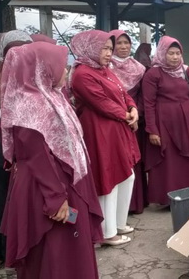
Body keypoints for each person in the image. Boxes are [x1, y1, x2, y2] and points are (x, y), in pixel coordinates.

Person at [0, 42, 103, 278]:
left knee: (70, 247)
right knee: (55, 251)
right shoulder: (30, 106)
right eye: (61, 66)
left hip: (65, 182)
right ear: (43, 68)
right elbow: (36, 157)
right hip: (47, 189)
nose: (66, 71)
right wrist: (56, 198)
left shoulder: (51, 96)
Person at [70, 30, 140, 246]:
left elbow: (122, 92)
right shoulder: (82, 74)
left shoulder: (104, 70)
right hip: (99, 131)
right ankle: (107, 232)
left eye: (110, 49)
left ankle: (119, 222)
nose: (109, 53)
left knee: (126, 174)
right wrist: (126, 114)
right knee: (108, 176)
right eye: (104, 48)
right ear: (90, 48)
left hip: (117, 128)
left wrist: (133, 107)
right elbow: (101, 102)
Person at [142, 36, 189, 205]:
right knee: (169, 162)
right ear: (163, 53)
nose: (174, 57)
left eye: (178, 53)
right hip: (164, 123)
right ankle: (168, 199)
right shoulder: (153, 74)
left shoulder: (187, 72)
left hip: (187, 122)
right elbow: (148, 103)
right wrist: (152, 130)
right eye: (170, 53)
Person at [0, 30, 32, 269]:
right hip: (0, 154)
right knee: (0, 202)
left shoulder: (36, 78)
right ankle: (1, 251)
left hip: (28, 154)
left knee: (23, 204)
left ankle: (22, 250)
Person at [109, 30, 148, 214]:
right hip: (112, 120)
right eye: (119, 43)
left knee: (135, 159)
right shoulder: (105, 69)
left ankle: (135, 202)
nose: (124, 47)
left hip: (135, 120)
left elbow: (142, 95)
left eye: (127, 43)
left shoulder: (138, 68)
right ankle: (116, 208)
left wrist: (136, 114)